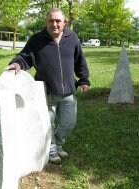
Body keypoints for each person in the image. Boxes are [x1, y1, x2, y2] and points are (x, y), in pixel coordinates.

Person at [5, 8, 90, 164]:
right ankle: (51, 151)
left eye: (58, 21)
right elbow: (24, 57)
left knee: (69, 122)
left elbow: (79, 61)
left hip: (69, 92)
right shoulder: (37, 40)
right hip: (46, 93)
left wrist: (84, 79)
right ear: (46, 22)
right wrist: (17, 64)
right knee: (47, 125)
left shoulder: (72, 38)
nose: (54, 24)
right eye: (51, 20)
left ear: (65, 22)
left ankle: (58, 144)